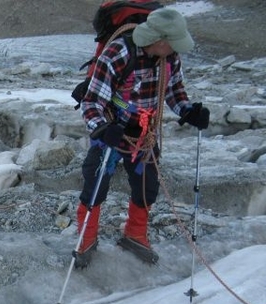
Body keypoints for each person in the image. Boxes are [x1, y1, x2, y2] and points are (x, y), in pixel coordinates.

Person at [75, 8, 210, 268]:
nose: (176, 48)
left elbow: (175, 92)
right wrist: (102, 128)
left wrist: (189, 111)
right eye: (173, 43)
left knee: (147, 185)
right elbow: (92, 101)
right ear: (159, 40)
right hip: (112, 132)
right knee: (96, 183)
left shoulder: (169, 58)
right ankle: (86, 239)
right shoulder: (118, 53)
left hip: (145, 135)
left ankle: (134, 235)